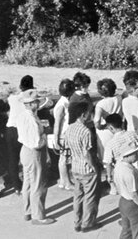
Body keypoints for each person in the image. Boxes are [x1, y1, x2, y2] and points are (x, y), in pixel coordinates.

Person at [11, 81, 54, 225]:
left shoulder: (23, 115)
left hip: (25, 151)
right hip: (34, 152)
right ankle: (38, 216)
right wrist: (45, 135)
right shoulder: (31, 119)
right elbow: (36, 142)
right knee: (38, 184)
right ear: (31, 104)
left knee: (28, 183)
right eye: (36, 102)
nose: (37, 104)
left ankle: (28, 211)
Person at [62, 100, 101, 232]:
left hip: (75, 167)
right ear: (84, 115)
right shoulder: (85, 131)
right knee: (90, 197)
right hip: (86, 168)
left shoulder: (70, 128)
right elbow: (87, 154)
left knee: (77, 196)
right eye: (89, 113)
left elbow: (67, 148)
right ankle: (87, 223)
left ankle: (77, 222)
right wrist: (94, 167)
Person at [112, 138, 138, 239]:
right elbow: (134, 194)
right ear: (127, 155)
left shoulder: (119, 165)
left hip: (123, 202)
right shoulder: (129, 172)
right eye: (135, 153)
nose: (137, 155)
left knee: (126, 231)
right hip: (134, 204)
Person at [50, 79, 76, 192]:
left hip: (63, 134)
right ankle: (67, 182)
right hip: (63, 135)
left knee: (63, 159)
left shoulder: (64, 102)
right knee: (64, 159)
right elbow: (57, 123)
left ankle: (63, 180)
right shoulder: (62, 105)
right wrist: (56, 138)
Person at [94, 78, 122, 178]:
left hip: (105, 132)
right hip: (117, 128)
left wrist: (103, 126)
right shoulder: (119, 98)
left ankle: (111, 181)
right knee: (118, 156)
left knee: (107, 158)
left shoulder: (100, 104)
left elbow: (96, 122)